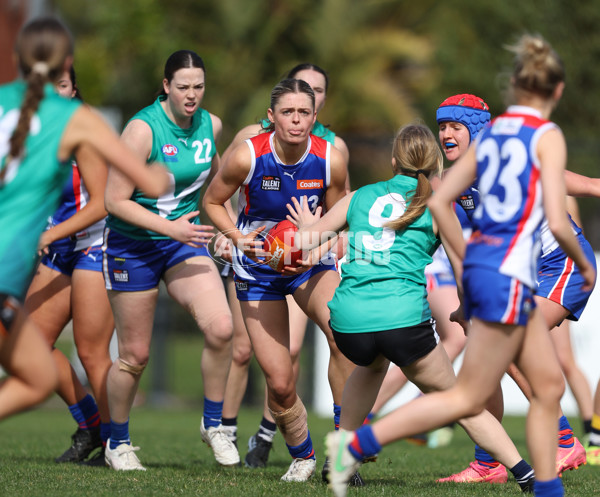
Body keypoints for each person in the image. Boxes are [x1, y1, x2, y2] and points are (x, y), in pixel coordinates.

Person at [325, 34, 596, 497]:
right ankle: (495, 460)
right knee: (488, 368)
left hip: (556, 267)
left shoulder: (506, 150)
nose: (446, 133)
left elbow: (570, 185)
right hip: (512, 275)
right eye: (442, 125)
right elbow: (440, 213)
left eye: (455, 125)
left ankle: (561, 445)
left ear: (479, 126)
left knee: (503, 361)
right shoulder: (461, 172)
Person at [289, 122, 536, 493]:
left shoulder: (360, 196)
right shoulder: (438, 205)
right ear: (435, 163)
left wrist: (303, 227)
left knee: (370, 366)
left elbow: (307, 240)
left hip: (347, 320)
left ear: (393, 160)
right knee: (459, 401)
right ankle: (525, 473)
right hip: (401, 321)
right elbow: (462, 267)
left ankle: (338, 456)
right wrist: (465, 312)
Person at [0, 17, 167, 422]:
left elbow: (100, 202)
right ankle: (99, 428)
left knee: (54, 368)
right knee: (36, 372)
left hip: (86, 247)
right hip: (23, 260)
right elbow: (151, 180)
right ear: (68, 62)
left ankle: (108, 436)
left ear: (16, 59)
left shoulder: (11, 103)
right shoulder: (77, 122)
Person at [203, 78, 354, 482]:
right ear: (271, 117)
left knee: (346, 333)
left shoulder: (330, 159)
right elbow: (212, 202)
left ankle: (343, 450)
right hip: (258, 268)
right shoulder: (247, 155)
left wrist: (318, 242)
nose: (296, 120)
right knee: (280, 380)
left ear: (315, 116)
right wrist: (237, 239)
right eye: (287, 112)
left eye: (304, 112)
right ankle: (302, 454)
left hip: (309, 262)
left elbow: (342, 223)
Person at [102, 50, 236, 471]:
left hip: (183, 242)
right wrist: (171, 228)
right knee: (135, 356)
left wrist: (228, 231)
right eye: (183, 87)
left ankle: (214, 425)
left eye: (198, 86)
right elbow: (113, 200)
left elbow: (216, 189)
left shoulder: (210, 125)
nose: (192, 95)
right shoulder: (142, 130)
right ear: (166, 87)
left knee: (221, 328)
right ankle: (117, 443)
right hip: (133, 245)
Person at [23, 66, 114, 466]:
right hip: (58, 247)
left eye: (60, 85)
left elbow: (101, 203)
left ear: (73, 87)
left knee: (92, 352)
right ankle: (91, 424)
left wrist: (46, 235)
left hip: (97, 243)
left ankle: (117, 442)